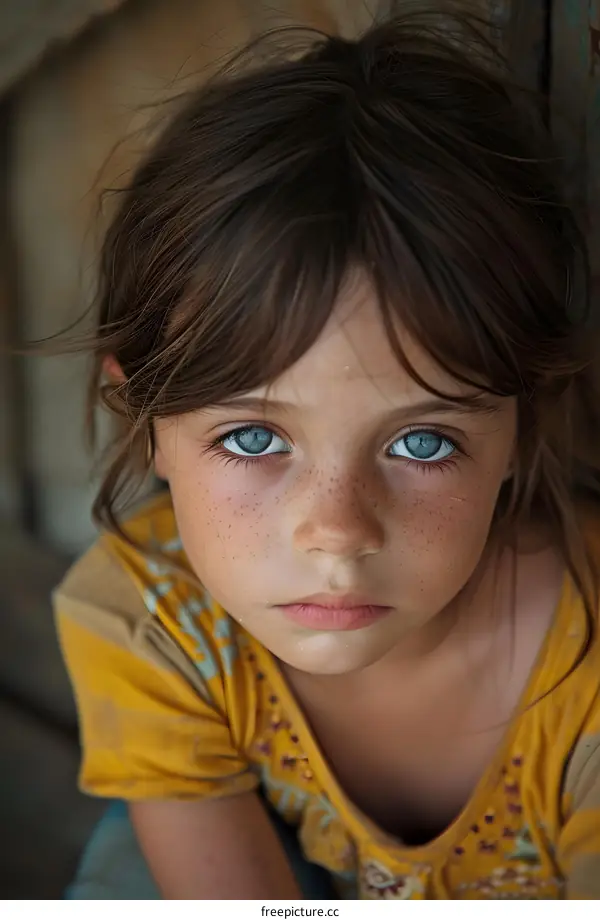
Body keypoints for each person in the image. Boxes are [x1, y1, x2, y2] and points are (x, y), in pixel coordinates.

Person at [54, 3, 600, 900]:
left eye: (423, 441)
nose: (336, 535)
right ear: (143, 415)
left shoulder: (581, 676)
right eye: (253, 436)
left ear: (523, 426)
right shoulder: (151, 619)